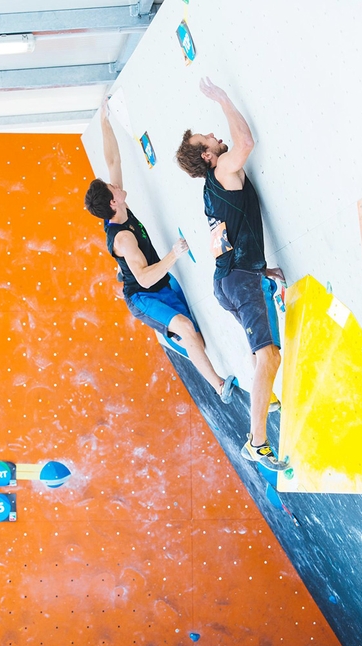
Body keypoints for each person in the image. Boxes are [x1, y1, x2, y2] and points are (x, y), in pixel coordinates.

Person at [84, 97, 238, 404]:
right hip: (143, 295)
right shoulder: (123, 238)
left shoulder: (118, 205)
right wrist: (173, 254)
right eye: (112, 188)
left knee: (197, 337)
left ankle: (182, 339)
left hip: (161, 284)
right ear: (113, 202)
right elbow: (141, 278)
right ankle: (220, 387)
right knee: (185, 328)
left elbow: (113, 161)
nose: (116, 184)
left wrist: (104, 122)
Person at [176, 77, 288, 471]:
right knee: (269, 356)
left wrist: (261, 269)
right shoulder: (223, 169)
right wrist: (224, 98)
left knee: (266, 356)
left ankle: (266, 398)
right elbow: (246, 144)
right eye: (206, 139)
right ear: (208, 156)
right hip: (237, 279)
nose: (212, 134)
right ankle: (256, 442)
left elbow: (233, 234)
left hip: (231, 281)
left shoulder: (212, 185)